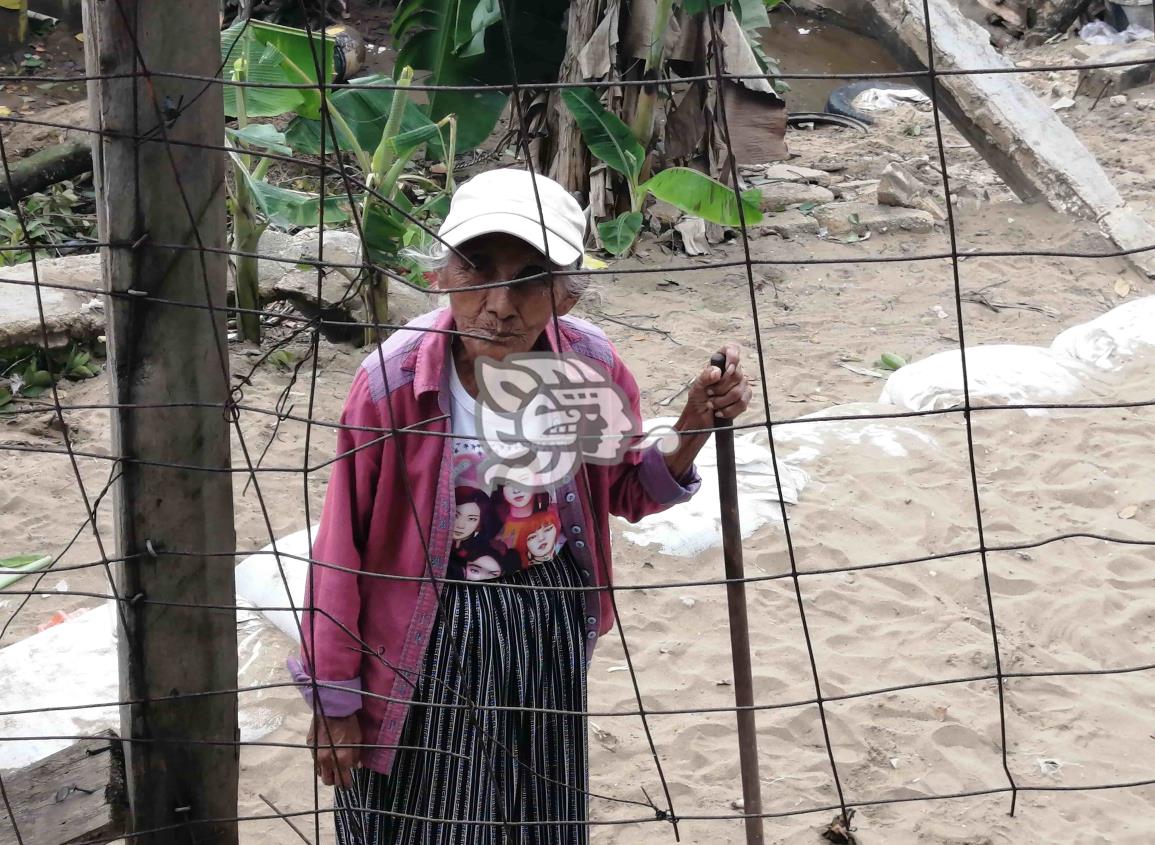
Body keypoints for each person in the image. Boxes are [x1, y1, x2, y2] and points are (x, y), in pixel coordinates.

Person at [290, 167, 752, 844]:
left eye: (529, 279)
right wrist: (334, 699)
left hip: (545, 619)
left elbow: (621, 488)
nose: (500, 304)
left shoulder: (586, 365)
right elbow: (341, 545)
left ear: (564, 295)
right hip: (432, 626)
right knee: (430, 813)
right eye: (478, 270)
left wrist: (690, 428)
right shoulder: (392, 384)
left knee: (535, 811)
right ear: (442, 276)